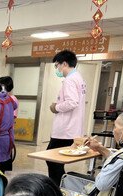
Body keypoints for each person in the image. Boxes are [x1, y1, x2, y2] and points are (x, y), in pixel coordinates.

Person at [46, 49, 86, 185]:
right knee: (56, 161)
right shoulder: (78, 78)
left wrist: (55, 107)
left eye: (56, 65)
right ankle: (61, 188)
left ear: (64, 64)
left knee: (52, 160)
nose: (56, 69)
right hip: (72, 129)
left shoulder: (69, 80)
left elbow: (72, 102)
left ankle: (57, 190)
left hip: (65, 130)